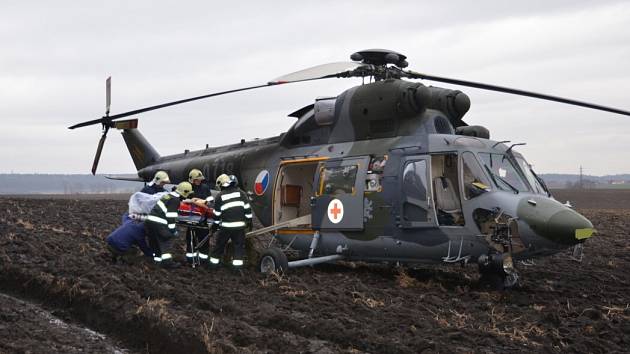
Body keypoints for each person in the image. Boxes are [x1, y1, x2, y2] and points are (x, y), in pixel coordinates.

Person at [209, 174, 253, 270]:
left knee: (219, 246)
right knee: (238, 247)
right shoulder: (242, 193)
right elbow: (248, 210)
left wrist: (214, 226)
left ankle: (213, 266)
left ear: (221, 185)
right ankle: (237, 268)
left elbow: (217, 215)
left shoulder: (220, 196)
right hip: (240, 227)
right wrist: (249, 222)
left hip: (226, 227)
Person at [145, 181, 193, 268]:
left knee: (155, 243)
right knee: (166, 240)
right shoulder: (175, 200)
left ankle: (157, 261)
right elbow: (171, 217)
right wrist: (173, 230)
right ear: (184, 192)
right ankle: (167, 263)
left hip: (150, 221)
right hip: (159, 223)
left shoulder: (168, 196)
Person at [185, 168, 214, 264]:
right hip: (191, 218)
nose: (199, 181)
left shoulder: (205, 187)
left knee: (204, 240)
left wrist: (206, 204)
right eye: (197, 179)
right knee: (191, 240)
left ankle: (203, 260)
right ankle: (191, 260)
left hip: (203, 219)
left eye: (200, 179)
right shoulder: (188, 188)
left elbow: (210, 200)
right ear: (192, 180)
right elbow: (184, 201)